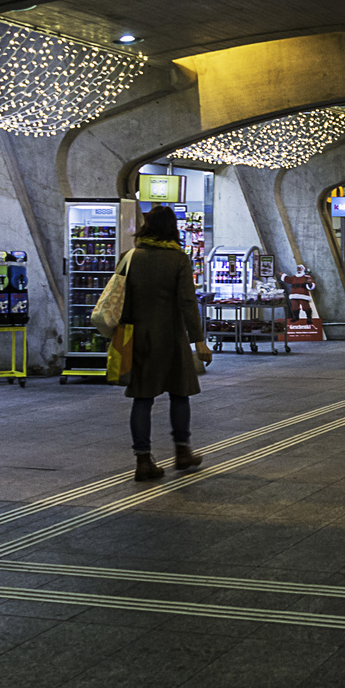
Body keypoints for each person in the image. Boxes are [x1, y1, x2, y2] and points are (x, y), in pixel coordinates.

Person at [120, 205, 212, 482]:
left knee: (142, 398)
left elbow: (119, 301)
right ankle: (182, 452)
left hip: (138, 339)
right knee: (179, 394)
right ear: (172, 228)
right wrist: (199, 341)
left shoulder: (129, 258)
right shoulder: (178, 259)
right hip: (171, 337)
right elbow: (187, 303)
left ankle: (143, 460)